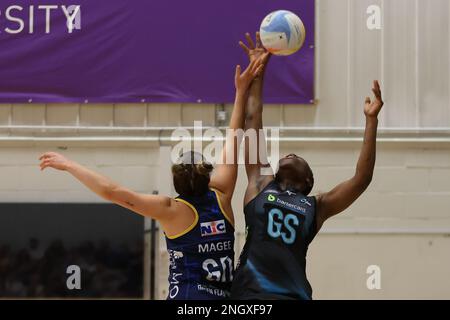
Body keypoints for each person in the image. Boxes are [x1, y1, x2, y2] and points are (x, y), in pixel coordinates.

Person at [38, 58, 266, 300]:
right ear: (206, 175)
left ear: (176, 182)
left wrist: (70, 165)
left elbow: (112, 192)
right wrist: (241, 92)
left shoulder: (172, 209)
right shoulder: (223, 196)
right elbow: (234, 136)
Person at [230, 32, 384, 300]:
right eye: (287, 155)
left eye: (297, 157)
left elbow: (361, 179)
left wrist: (371, 122)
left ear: (308, 182)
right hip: (249, 296)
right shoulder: (260, 183)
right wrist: (259, 73)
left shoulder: (317, 206)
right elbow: (252, 120)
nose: (290, 154)